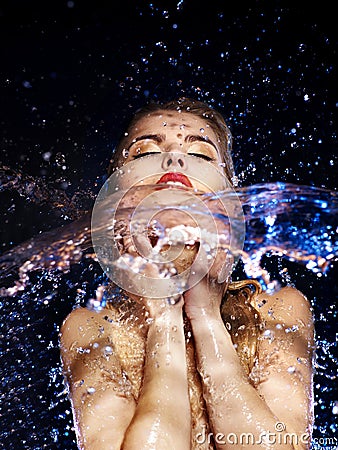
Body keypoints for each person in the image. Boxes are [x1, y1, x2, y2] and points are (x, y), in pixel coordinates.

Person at [59, 98, 314, 449]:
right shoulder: (91, 328)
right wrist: (164, 318)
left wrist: (206, 316)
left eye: (203, 155)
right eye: (144, 152)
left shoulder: (275, 311)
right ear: (112, 199)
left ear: (232, 200)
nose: (174, 159)